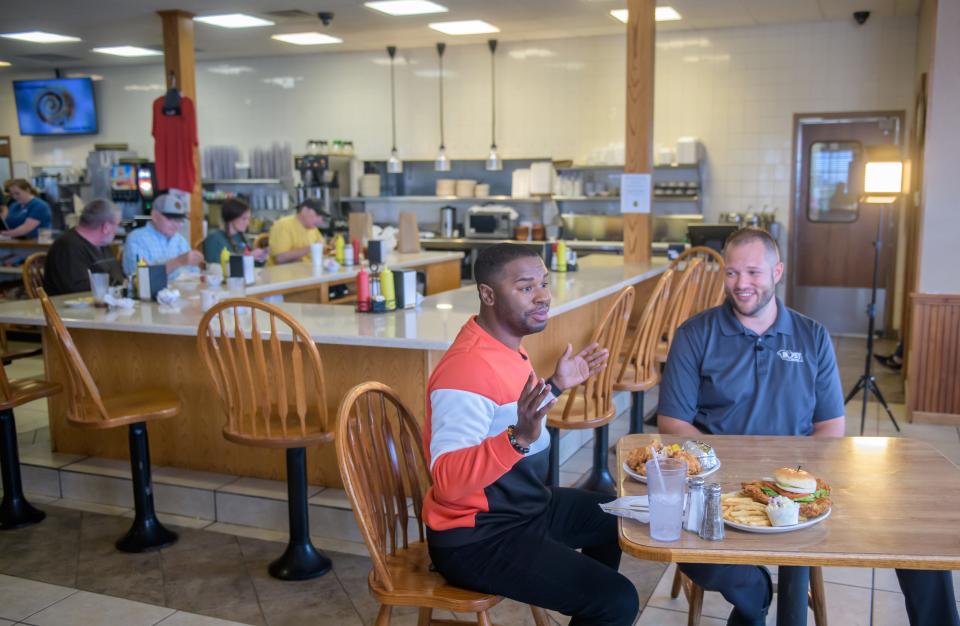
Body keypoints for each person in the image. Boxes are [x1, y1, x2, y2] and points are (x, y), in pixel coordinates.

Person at [658, 227, 958, 626]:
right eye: (731, 273)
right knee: (706, 565)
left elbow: (831, 426)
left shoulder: (811, 335)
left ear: (777, 271)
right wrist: (727, 474)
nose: (741, 284)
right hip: (719, 486)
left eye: (753, 272)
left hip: (799, 486)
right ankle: (758, 595)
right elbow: (673, 422)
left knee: (918, 538)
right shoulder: (695, 334)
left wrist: (793, 485)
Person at [424, 244, 639, 626]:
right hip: (478, 538)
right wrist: (516, 440)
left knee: (616, 517)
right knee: (617, 600)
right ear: (487, 294)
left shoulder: (506, 348)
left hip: (524, 509)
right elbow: (447, 483)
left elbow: (512, 416)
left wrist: (555, 385)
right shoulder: (465, 372)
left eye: (543, 283)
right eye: (525, 288)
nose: (543, 295)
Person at [43, 199, 124, 296]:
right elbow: (79, 292)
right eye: (117, 225)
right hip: (70, 309)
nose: (117, 230)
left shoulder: (102, 243)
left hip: (104, 305)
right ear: (106, 227)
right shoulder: (67, 247)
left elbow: (118, 278)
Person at [122, 193, 202, 280]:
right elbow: (140, 278)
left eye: (180, 220)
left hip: (182, 292)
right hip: (149, 293)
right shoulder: (136, 239)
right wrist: (179, 261)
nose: (176, 225)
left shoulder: (180, 240)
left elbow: (194, 274)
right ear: (155, 216)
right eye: (170, 219)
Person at [202, 198, 269, 265]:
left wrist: (261, 258)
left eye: (249, 219)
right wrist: (248, 257)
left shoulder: (242, 238)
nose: (248, 223)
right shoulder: (214, 239)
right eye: (244, 219)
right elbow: (216, 268)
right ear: (231, 217)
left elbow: (252, 266)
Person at [267, 199, 327, 264]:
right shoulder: (283, 225)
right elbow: (280, 258)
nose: (320, 221)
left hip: (307, 271)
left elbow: (322, 246)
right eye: (317, 215)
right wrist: (312, 248)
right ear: (305, 211)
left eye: (322, 218)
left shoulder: (313, 228)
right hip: (283, 272)